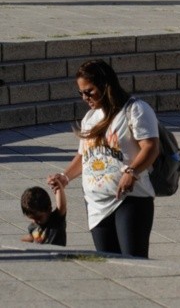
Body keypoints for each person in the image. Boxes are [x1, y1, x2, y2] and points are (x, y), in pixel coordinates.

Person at [47, 59, 159, 258]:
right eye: (81, 93)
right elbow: (84, 156)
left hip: (129, 200)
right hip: (96, 205)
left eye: (89, 91)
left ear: (105, 85)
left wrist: (132, 172)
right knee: (109, 266)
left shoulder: (135, 110)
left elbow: (151, 147)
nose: (85, 97)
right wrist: (65, 177)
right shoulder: (90, 118)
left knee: (133, 264)